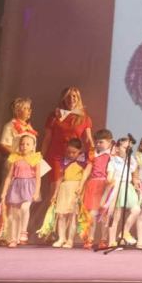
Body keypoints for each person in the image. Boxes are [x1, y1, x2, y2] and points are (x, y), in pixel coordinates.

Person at [36, 87, 95, 243]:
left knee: (72, 197)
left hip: (74, 157)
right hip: (56, 156)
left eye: (74, 96)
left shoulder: (84, 118)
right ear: (63, 98)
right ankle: (52, 231)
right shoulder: (54, 115)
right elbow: (47, 138)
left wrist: (93, 153)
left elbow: (88, 139)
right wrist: (40, 156)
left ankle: (66, 236)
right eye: (69, 97)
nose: (71, 99)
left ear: (78, 98)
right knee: (55, 194)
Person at [0, 134, 48, 247]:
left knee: (25, 208)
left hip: (29, 186)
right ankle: (13, 238)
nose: (24, 146)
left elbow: (38, 177)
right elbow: (9, 176)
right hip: (16, 186)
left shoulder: (35, 158)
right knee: (14, 213)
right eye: (22, 144)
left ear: (33, 146)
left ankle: (23, 231)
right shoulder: (15, 157)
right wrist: (4, 191)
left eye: (27, 144)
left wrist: (36, 191)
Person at [50, 138, 88, 248]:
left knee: (72, 216)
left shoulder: (83, 161)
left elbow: (85, 177)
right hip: (64, 188)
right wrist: (55, 193)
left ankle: (70, 240)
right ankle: (61, 238)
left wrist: (81, 188)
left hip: (76, 188)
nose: (71, 155)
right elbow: (60, 178)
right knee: (61, 215)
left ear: (80, 151)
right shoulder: (64, 162)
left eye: (74, 152)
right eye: (69, 152)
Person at [103, 137, 140, 246]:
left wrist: (136, 182)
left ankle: (124, 232)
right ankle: (111, 242)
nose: (127, 150)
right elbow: (110, 176)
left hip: (128, 187)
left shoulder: (131, 160)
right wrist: (109, 180)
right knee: (116, 216)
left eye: (129, 148)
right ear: (117, 148)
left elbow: (134, 171)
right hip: (117, 187)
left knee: (136, 210)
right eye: (125, 148)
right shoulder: (113, 161)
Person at [82, 130, 114, 248]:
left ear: (109, 142)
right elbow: (87, 170)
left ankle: (103, 239)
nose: (98, 144)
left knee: (105, 214)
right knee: (92, 214)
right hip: (94, 185)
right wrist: (81, 184)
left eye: (101, 142)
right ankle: (90, 238)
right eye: (97, 142)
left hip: (105, 185)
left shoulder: (112, 155)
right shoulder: (93, 154)